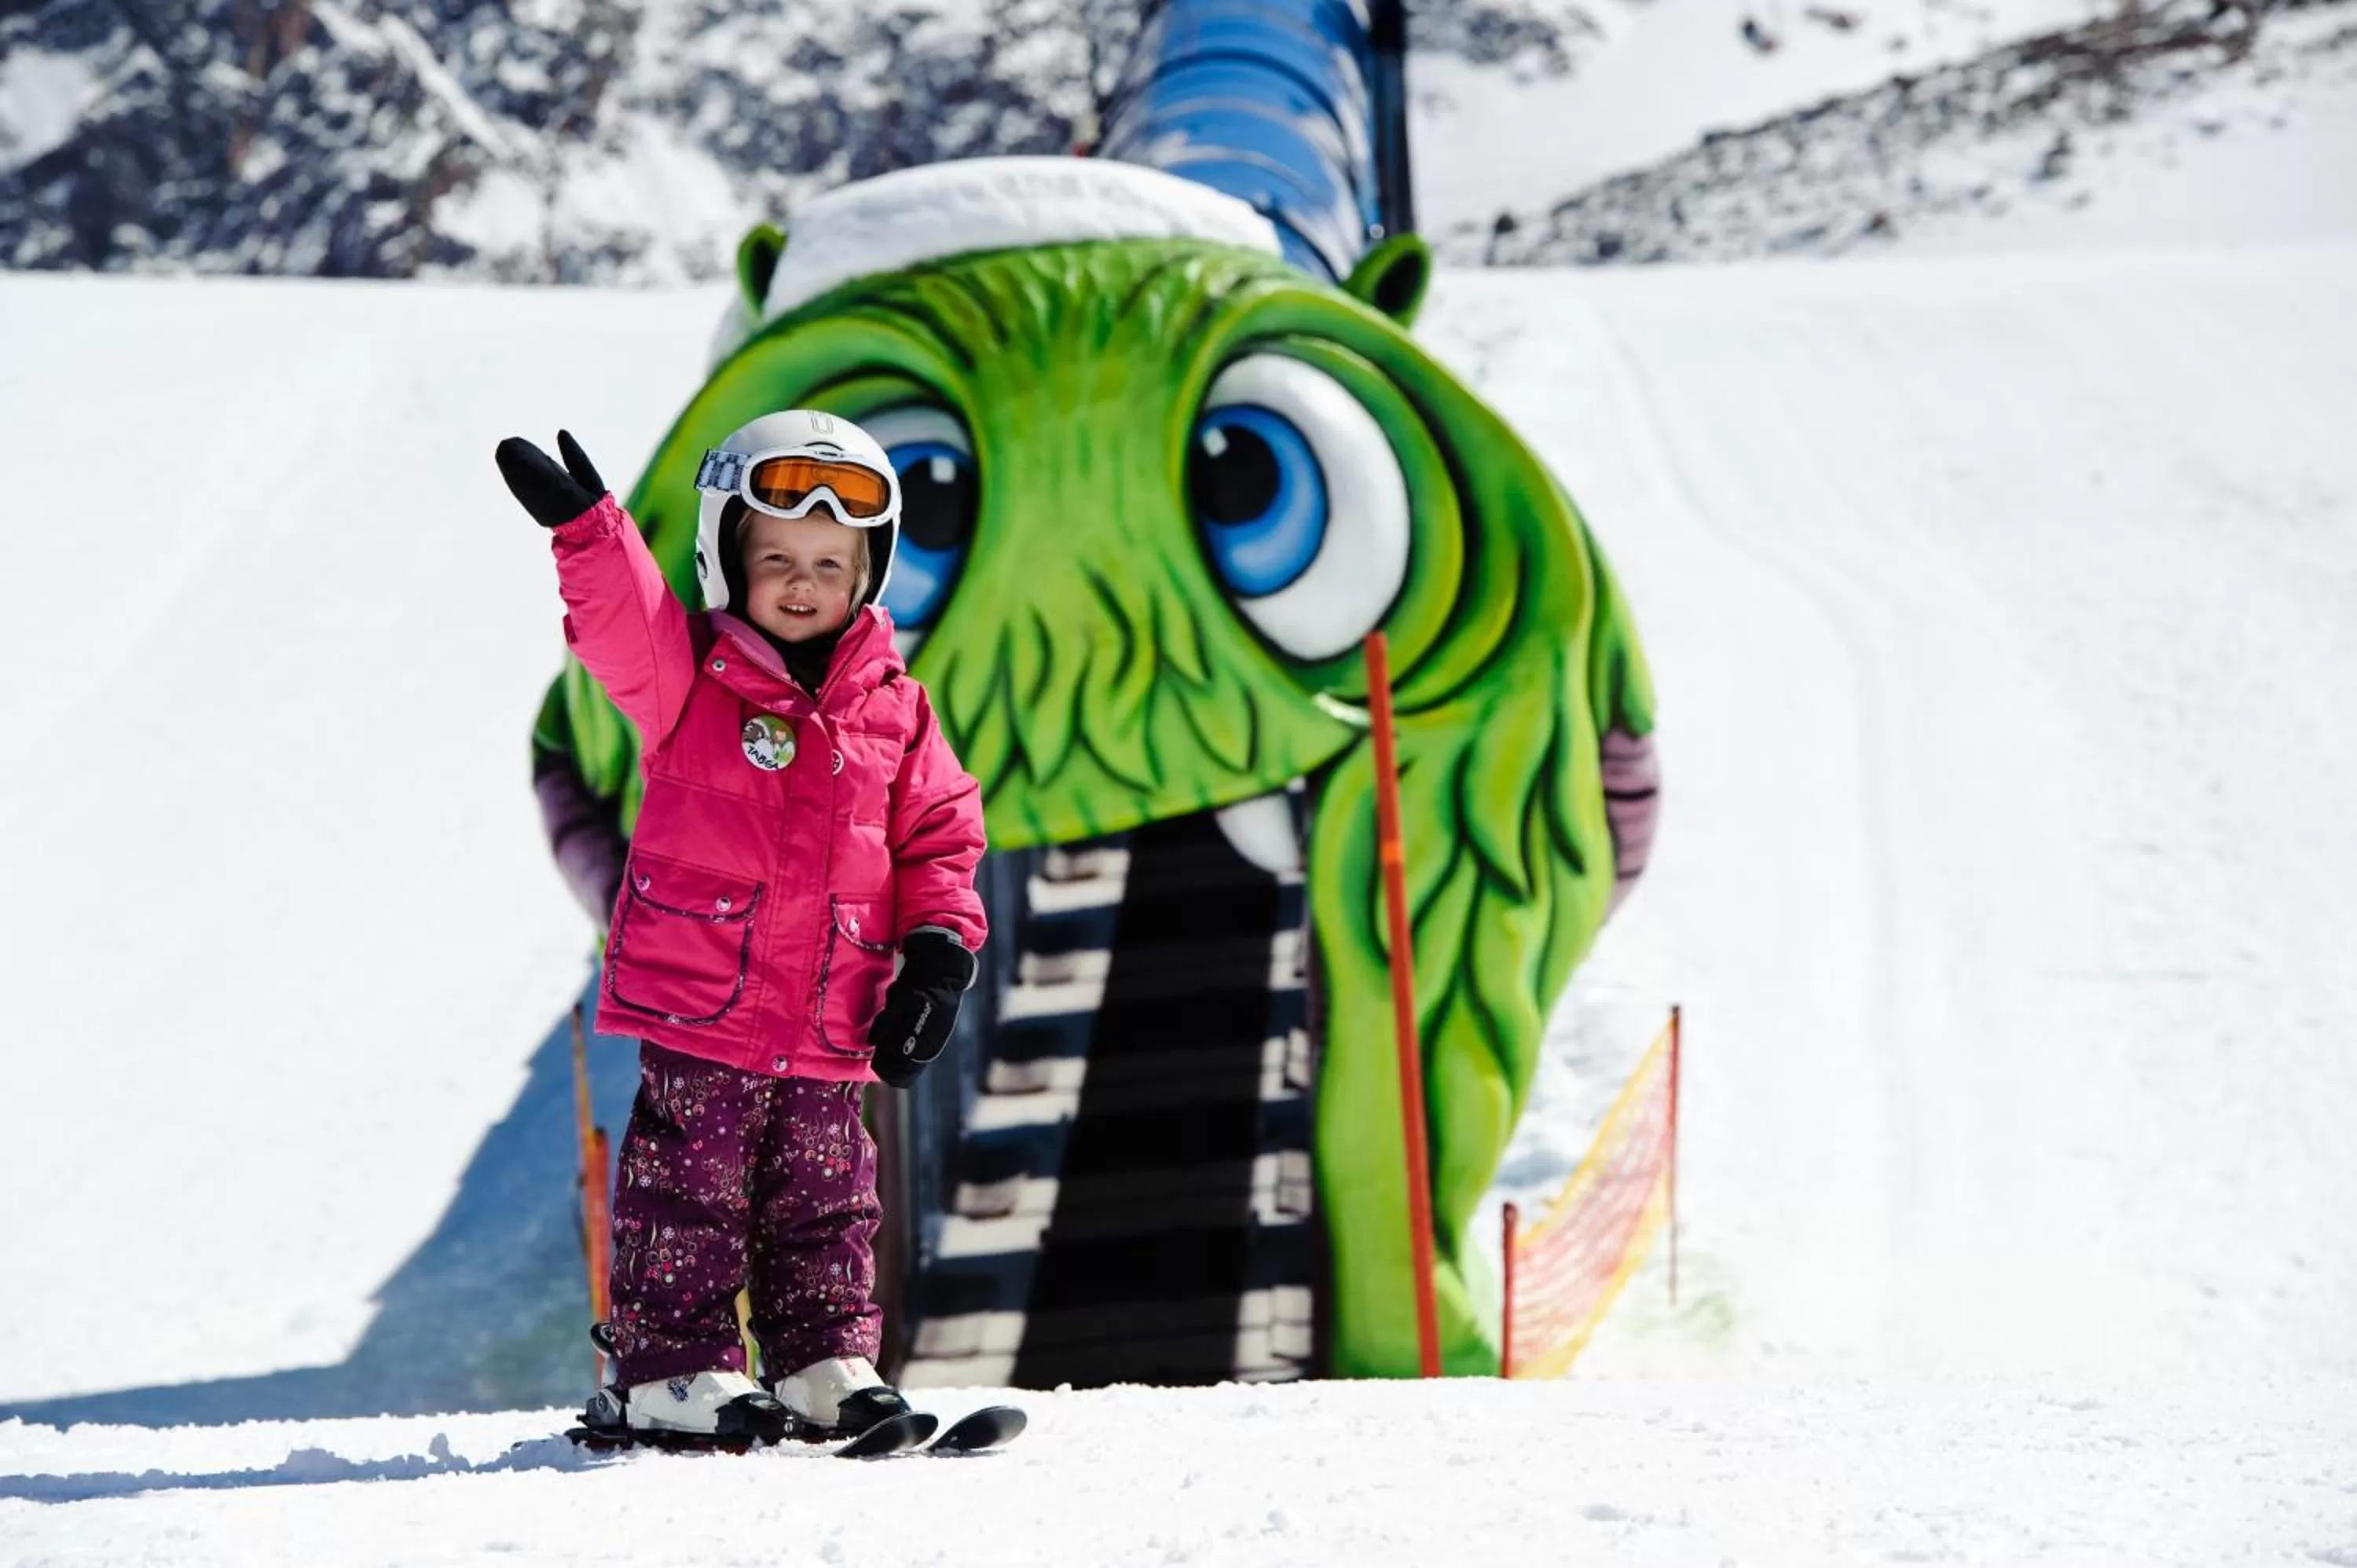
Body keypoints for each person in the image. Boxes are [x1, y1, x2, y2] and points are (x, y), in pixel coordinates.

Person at [496, 410, 987, 1445]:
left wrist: (937, 955)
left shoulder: (896, 709)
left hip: (832, 1013)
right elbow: (622, 623)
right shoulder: (691, 683)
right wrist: (591, 533)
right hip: (707, 1001)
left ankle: (822, 1362)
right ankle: (673, 1371)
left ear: (869, 571)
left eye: (828, 561)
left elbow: (942, 833)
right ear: (729, 557)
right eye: (776, 559)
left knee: (827, 1197)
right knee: (690, 1193)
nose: (802, 583)